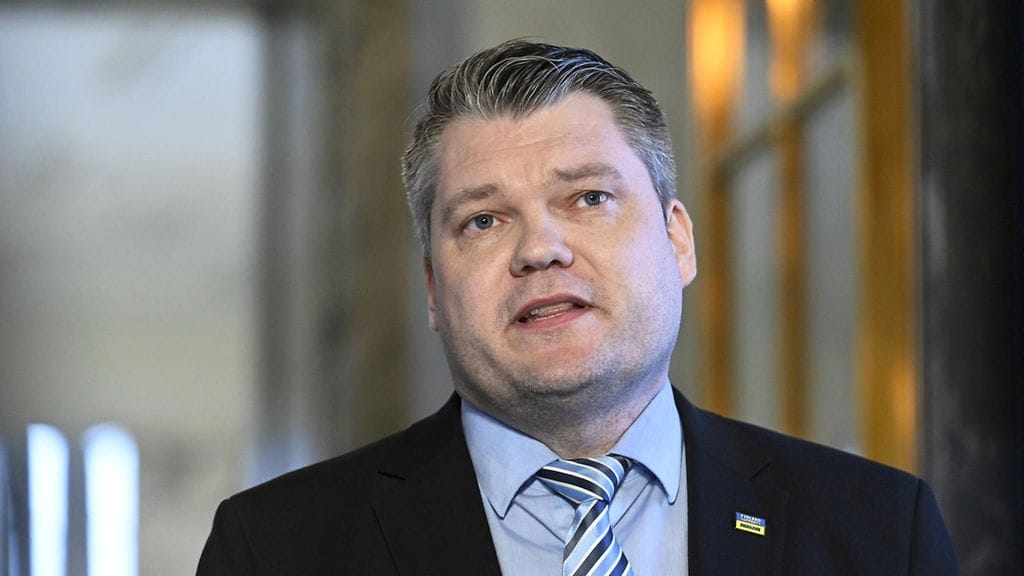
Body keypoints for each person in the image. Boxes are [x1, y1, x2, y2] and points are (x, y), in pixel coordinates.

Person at [197, 40, 958, 575]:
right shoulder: (275, 549)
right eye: (483, 220)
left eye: (589, 198)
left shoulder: (882, 532)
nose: (541, 248)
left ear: (678, 240)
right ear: (433, 287)